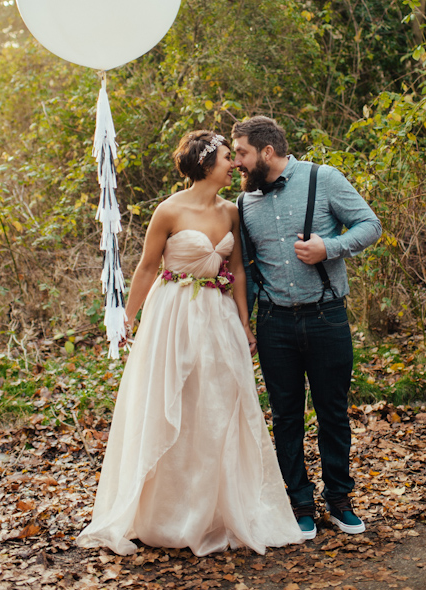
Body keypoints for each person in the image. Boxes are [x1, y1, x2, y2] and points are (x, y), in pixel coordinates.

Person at [77, 130, 303, 556]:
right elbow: (145, 268)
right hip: (173, 316)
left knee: (216, 407)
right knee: (173, 402)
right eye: (225, 157)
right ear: (204, 164)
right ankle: (164, 512)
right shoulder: (168, 210)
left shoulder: (231, 211)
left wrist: (244, 323)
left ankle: (215, 510)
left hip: (218, 318)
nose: (233, 163)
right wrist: (128, 315)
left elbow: (236, 269)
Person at [232, 116, 382, 540]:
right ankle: (299, 503)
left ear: (266, 151)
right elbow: (243, 268)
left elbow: (371, 226)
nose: (237, 163)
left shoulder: (325, 178)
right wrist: (245, 324)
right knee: (285, 417)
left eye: (241, 153)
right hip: (274, 323)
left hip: (326, 317)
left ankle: (339, 500)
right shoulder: (242, 205)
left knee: (332, 413)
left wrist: (328, 248)